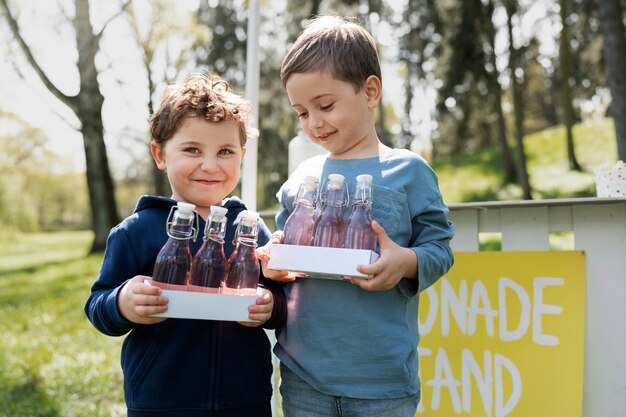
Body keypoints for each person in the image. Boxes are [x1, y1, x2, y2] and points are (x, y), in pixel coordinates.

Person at [259, 15, 455, 417]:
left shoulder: (409, 172)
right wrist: (272, 265)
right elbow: (280, 258)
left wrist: (407, 262)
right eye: (301, 112)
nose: (314, 123)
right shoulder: (299, 180)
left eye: (325, 105)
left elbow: (440, 249)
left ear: (370, 91)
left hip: (381, 381)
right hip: (303, 375)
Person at [84, 74, 286, 417]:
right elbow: (97, 305)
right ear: (160, 154)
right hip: (161, 401)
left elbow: (283, 300)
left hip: (245, 400)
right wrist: (121, 301)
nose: (210, 165)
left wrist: (270, 307)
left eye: (225, 152)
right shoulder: (136, 231)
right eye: (192, 150)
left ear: (242, 156)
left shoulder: (251, 230)